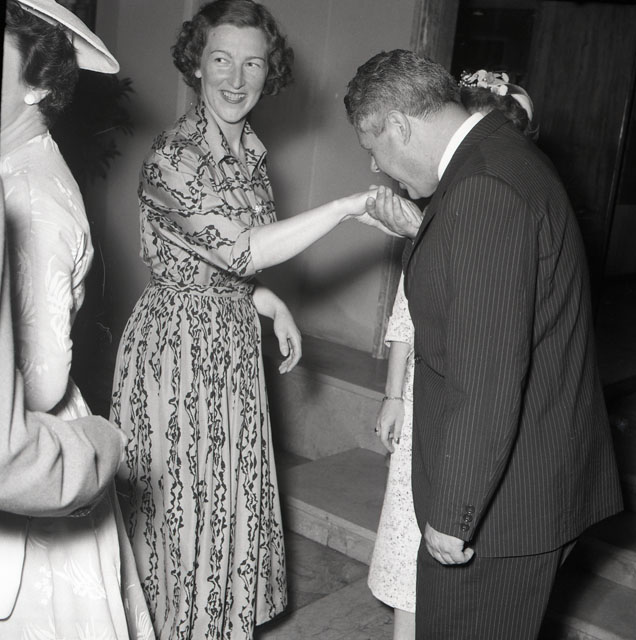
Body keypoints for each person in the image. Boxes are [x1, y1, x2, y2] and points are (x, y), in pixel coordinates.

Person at [108, 1, 370, 638]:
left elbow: (218, 258)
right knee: (182, 512)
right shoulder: (174, 155)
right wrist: (347, 207)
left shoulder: (249, 151)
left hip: (230, 343)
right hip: (178, 350)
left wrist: (263, 301)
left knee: (225, 503)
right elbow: (242, 250)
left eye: (253, 63)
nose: (236, 77)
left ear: (268, 71)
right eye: (221, 59)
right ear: (196, 65)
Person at [344, 49, 623, 639]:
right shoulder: (498, 154)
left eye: (373, 148)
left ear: (398, 126)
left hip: (502, 509)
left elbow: (487, 374)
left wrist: (454, 512)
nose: (376, 166)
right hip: (530, 481)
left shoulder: (482, 188)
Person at [367, 70, 538, 640]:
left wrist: (422, 230)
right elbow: (407, 313)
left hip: (467, 414)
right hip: (432, 398)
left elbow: (487, 360)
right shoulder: (458, 190)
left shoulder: (485, 192)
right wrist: (393, 393)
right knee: (409, 554)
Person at [0, 1, 153, 637]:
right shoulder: (15, 167)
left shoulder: (31, 193)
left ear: (37, 85)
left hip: (31, 452)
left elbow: (41, 380)